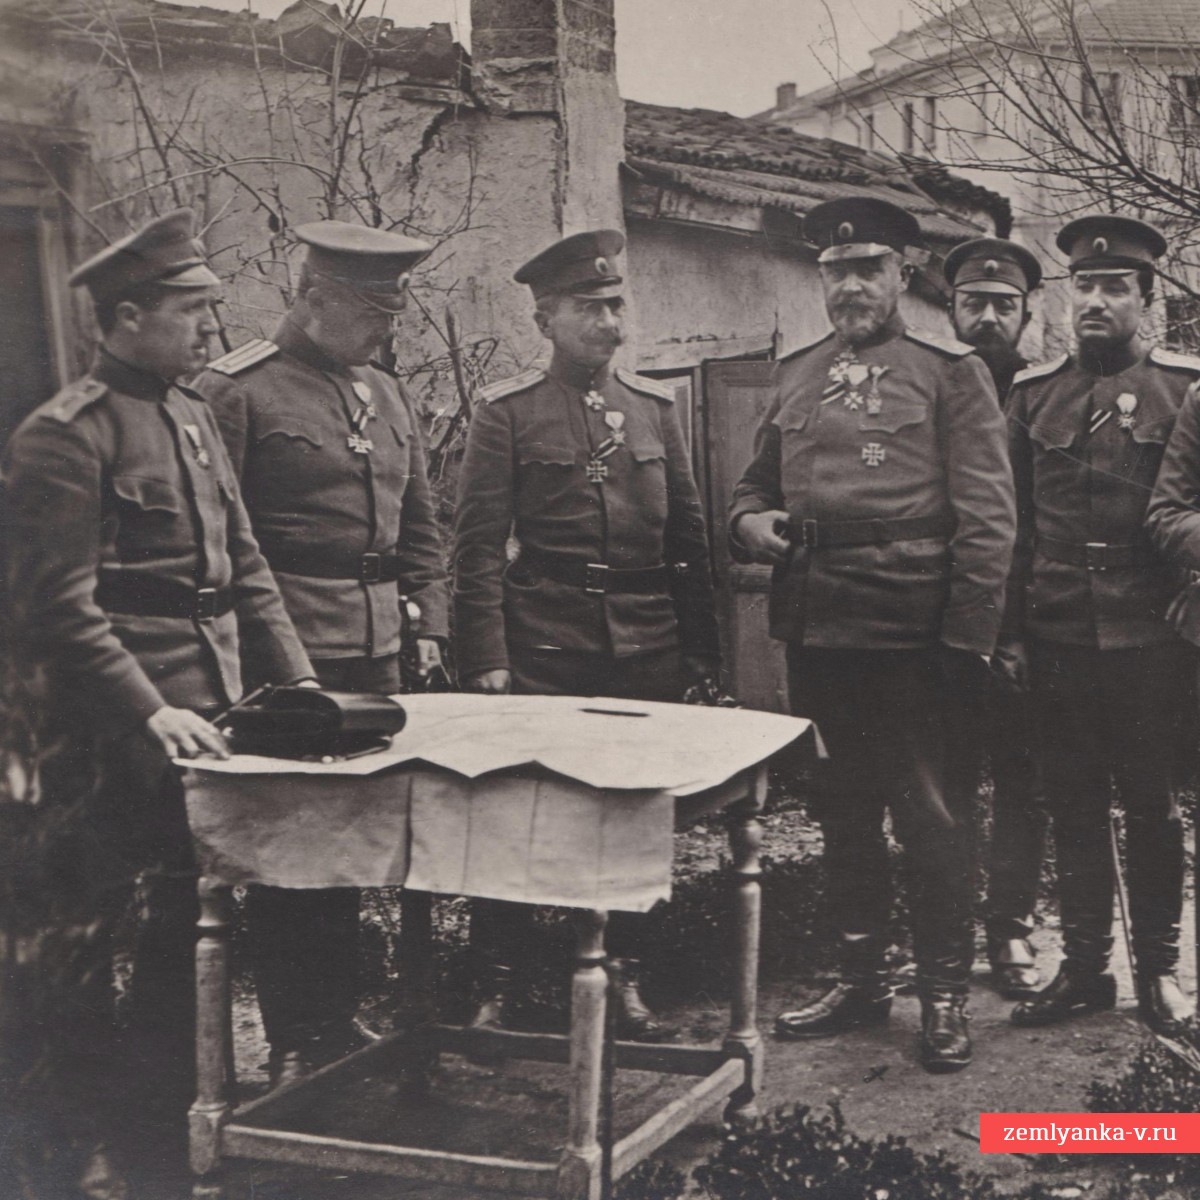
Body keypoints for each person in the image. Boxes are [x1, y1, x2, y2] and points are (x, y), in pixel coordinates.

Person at [1, 209, 315, 1190]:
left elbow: (245, 565)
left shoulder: (191, 414)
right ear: (128, 316)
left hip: (206, 715)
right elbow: (60, 607)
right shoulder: (67, 435)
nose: (207, 329)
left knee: (190, 928)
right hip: (112, 733)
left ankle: (162, 1128)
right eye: (189, 311)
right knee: (93, 945)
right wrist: (150, 711)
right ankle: (78, 1145)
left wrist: (299, 682)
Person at [730, 196, 1016, 1073]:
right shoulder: (798, 372)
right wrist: (751, 524)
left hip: (916, 638)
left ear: (902, 274)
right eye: (836, 271)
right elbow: (752, 487)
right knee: (842, 811)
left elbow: (989, 521)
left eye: (868, 270)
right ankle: (860, 979)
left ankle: (943, 993)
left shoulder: (949, 372)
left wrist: (967, 641)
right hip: (820, 629)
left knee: (932, 817)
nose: (851, 286)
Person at [195, 221, 450, 1086]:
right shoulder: (237, 390)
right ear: (313, 297)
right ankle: (296, 1037)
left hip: (376, 651)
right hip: (287, 653)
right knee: (289, 847)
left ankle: (334, 1019)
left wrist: (430, 621)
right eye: (372, 313)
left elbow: (421, 523)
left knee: (352, 844)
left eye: (392, 313)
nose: (386, 330)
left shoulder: (385, 392)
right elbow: (222, 544)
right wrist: (266, 655)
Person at [452, 228, 721, 1040]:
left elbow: (688, 540)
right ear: (545, 321)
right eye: (588, 308)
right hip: (544, 644)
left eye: (615, 305)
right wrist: (486, 657)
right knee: (514, 813)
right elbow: (477, 547)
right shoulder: (507, 413)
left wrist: (701, 654)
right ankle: (497, 983)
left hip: (645, 646)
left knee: (631, 816)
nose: (609, 322)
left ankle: (620, 978)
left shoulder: (655, 409)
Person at [1003, 215, 1197, 1035]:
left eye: (1115, 288)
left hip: (1151, 636)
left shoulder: (1183, 391)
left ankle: (1159, 972)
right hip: (1056, 630)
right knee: (1072, 803)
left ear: (1145, 300)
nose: (1095, 301)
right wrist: (1010, 631)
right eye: (1084, 285)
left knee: (1152, 806)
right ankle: (1085, 969)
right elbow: (1011, 524)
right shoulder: (1032, 395)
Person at [943, 237, 1048, 998]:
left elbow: (1039, 524)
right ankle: (944, 932)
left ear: (1026, 316)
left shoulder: (1041, 397)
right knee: (943, 784)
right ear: (950, 310)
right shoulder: (929, 384)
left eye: (1002, 305)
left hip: (1025, 630)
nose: (987, 317)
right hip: (940, 627)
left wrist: (1013, 631)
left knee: (1023, 780)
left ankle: (1010, 926)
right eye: (973, 303)